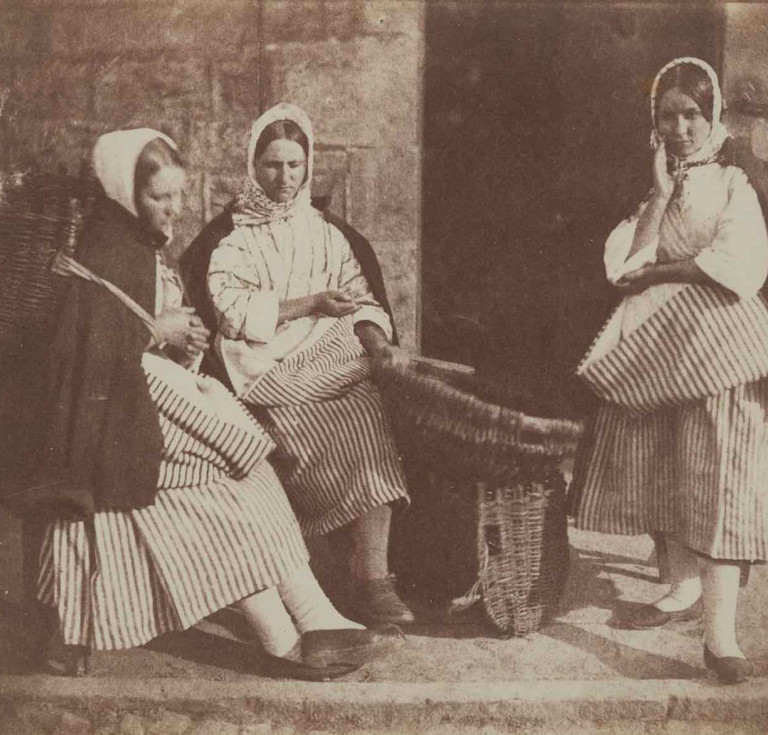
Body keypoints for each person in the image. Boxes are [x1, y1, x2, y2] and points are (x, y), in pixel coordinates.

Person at [24, 128, 398, 681]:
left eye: (178, 194)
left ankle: (318, 621)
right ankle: (284, 639)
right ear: (125, 192)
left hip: (144, 396)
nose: (174, 209)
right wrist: (159, 330)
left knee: (255, 478)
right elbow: (89, 357)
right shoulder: (106, 251)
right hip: (112, 421)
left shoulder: (134, 243)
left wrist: (172, 338)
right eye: (160, 197)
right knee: (230, 493)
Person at [570, 57, 768, 685]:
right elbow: (621, 270)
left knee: (719, 484)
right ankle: (678, 588)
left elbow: (740, 263)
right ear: (653, 123)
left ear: (712, 118)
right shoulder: (649, 185)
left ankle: (721, 637)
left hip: (720, 347)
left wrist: (662, 271)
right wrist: (659, 194)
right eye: (668, 116)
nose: (681, 128)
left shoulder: (738, 180)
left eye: (693, 115)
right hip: (656, 350)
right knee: (663, 471)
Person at [199, 103, 414, 625]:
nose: (284, 178)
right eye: (273, 165)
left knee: (371, 408)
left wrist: (375, 341)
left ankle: (372, 576)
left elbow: (361, 297)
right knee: (319, 423)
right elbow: (232, 311)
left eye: (295, 165)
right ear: (253, 164)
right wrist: (309, 304)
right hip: (267, 368)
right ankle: (340, 575)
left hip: (329, 355)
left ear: (308, 164)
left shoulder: (326, 232)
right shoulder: (233, 237)